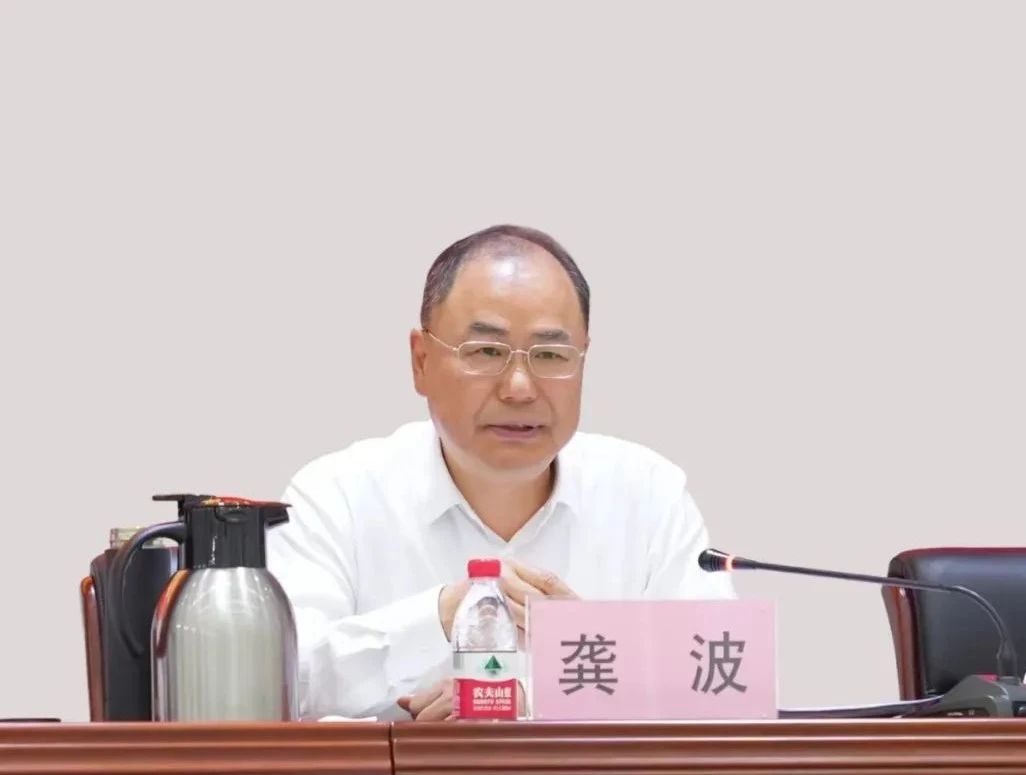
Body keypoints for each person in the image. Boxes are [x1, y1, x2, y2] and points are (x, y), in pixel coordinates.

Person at [266, 224, 735, 721]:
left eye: (550, 355)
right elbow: (280, 685)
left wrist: (546, 688)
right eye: (486, 352)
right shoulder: (336, 496)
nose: (519, 388)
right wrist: (442, 615)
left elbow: (726, 684)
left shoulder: (649, 495)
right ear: (421, 361)